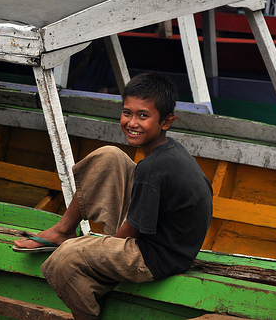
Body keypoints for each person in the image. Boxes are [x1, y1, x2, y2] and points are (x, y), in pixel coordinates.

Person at [13, 72, 213, 320]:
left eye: (143, 115)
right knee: (108, 156)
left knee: (66, 257)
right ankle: (62, 230)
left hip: (157, 257)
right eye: (127, 113)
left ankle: (87, 315)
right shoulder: (166, 152)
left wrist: (95, 250)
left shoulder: (153, 169)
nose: (132, 122)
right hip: (162, 237)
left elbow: (129, 234)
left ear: (166, 122)